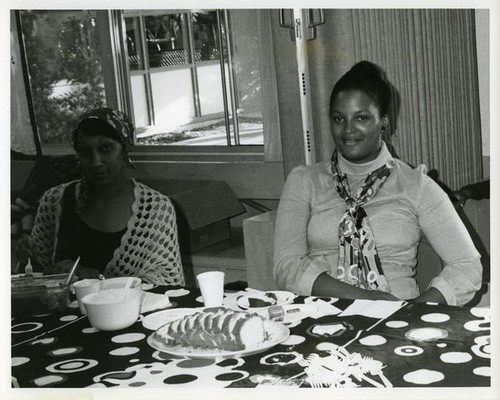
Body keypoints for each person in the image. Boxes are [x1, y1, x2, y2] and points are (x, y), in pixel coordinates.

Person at [273, 61, 481, 306]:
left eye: (361, 117)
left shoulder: (416, 185)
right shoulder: (303, 181)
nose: (348, 130)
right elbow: (286, 266)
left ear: (384, 121)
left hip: (398, 320)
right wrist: (369, 299)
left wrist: (414, 312)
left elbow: (468, 267)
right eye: (338, 119)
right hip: (320, 316)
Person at [17, 108, 185, 286]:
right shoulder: (55, 201)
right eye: (84, 151)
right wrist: (25, 256)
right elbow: (37, 275)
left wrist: (93, 277)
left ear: (124, 150)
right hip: (65, 313)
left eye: (106, 148)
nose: (96, 161)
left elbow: (166, 286)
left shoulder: (155, 208)